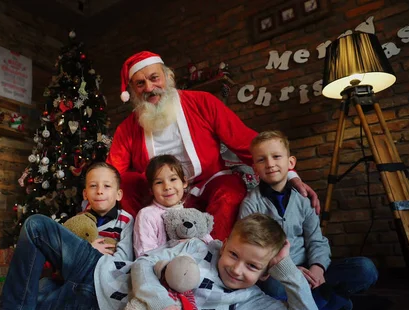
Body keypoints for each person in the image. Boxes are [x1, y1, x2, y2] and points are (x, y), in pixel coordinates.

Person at [107, 51, 320, 242]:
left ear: (168, 77)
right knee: (124, 182)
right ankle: (151, 247)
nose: (149, 88)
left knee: (230, 190)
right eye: (140, 83)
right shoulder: (128, 128)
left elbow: (247, 141)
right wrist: (94, 203)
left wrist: (290, 175)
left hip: (208, 182)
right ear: (133, 91)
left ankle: (215, 258)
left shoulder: (202, 102)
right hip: (161, 192)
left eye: (154, 78)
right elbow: (111, 173)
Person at [0, 162, 135, 310]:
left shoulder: (126, 220)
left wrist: (94, 254)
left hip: (100, 276)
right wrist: (87, 247)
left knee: (35, 229)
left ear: (119, 194)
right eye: (93, 186)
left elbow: (125, 261)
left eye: (107, 186)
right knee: (41, 281)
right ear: (85, 194)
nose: (99, 191)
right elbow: (62, 256)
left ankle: (9, 305)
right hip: (72, 276)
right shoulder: (79, 220)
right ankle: (10, 305)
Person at [239, 130, 378, 310]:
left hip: (310, 270)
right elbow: (251, 250)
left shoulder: (304, 200)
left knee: (365, 269)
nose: (270, 164)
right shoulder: (251, 204)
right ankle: (329, 301)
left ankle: (318, 298)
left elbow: (316, 240)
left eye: (276, 156)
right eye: (261, 160)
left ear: (291, 163)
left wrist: (318, 268)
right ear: (255, 168)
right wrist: (289, 271)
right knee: (274, 288)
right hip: (279, 275)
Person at [132, 213, 322, 310]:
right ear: (223, 247)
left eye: (252, 266)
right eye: (233, 254)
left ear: (265, 274)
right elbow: (143, 262)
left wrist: (286, 269)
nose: (236, 269)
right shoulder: (197, 247)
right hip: (106, 274)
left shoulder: (251, 302)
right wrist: (157, 300)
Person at [134, 154, 213, 257]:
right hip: (161, 268)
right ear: (151, 190)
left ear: (184, 182)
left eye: (173, 179)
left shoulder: (191, 215)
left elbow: (210, 244)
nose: (167, 187)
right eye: (159, 182)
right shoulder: (147, 215)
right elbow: (145, 254)